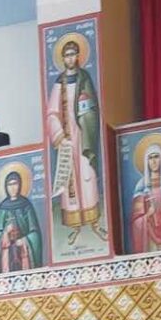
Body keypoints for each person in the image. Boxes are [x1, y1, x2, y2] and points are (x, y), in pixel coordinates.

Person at [46, 42, 104, 242]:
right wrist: (60, 135)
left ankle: (95, 223)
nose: (70, 58)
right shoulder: (59, 82)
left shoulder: (84, 78)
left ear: (78, 56)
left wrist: (87, 120)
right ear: (63, 58)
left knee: (87, 176)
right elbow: (52, 113)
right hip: (67, 138)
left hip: (84, 135)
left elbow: (93, 108)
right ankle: (76, 226)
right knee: (70, 181)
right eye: (67, 55)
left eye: (73, 54)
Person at [0, 170, 42, 272]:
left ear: (20, 185)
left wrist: (24, 241)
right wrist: (5, 233)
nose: (12, 187)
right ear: (6, 187)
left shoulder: (26, 205)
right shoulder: (2, 208)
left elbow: (35, 233)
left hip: (24, 254)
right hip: (7, 256)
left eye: (15, 184)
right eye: (9, 185)